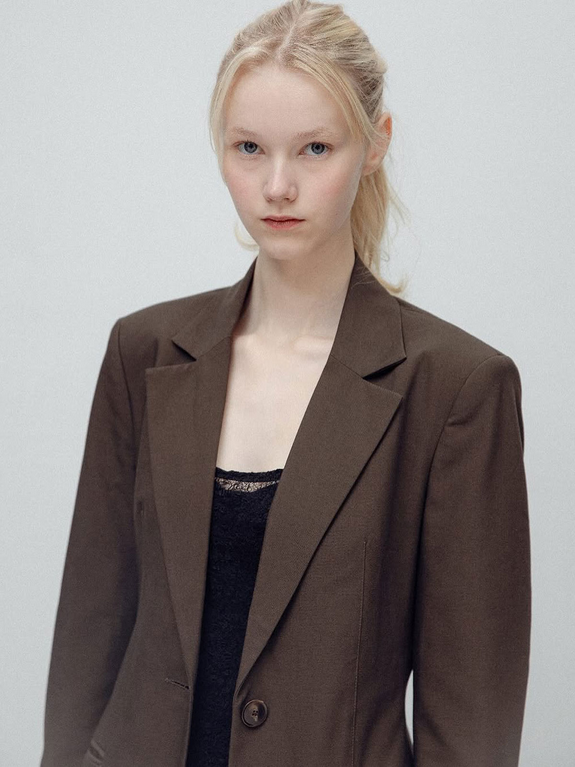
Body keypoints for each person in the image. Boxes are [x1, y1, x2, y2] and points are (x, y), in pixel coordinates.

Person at [40, 1, 531, 765]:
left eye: (314, 148)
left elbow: (470, 719)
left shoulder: (457, 389)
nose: (276, 185)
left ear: (374, 144)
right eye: (248, 147)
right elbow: (89, 637)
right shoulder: (145, 353)